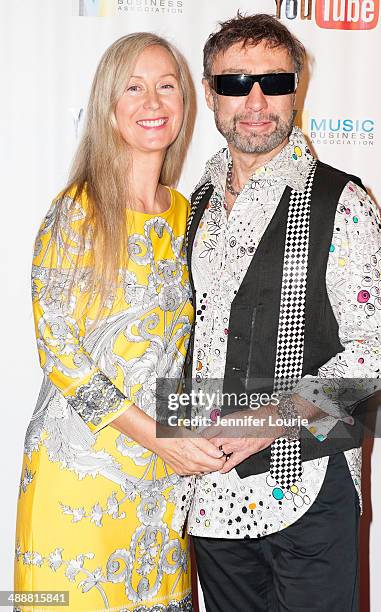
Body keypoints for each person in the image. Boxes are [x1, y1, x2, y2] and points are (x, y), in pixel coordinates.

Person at [180, 13, 381, 612]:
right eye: (234, 82)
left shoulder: (343, 200)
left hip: (311, 476)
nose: (255, 100)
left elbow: (379, 355)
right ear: (209, 92)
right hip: (208, 489)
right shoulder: (189, 207)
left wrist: (263, 422)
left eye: (274, 82)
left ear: (296, 88)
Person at [14, 32, 226, 612]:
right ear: (108, 105)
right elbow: (58, 351)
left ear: (185, 105)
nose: (152, 103)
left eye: (166, 87)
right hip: (79, 475)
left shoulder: (189, 213)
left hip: (163, 483)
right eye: (133, 88)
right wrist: (159, 438)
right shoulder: (76, 210)